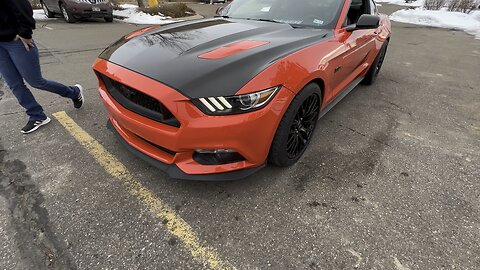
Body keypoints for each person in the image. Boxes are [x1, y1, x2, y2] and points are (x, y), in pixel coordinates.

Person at [0, 0, 84, 134]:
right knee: (14, 84)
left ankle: (74, 92)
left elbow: (22, 6)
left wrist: (25, 33)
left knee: (36, 81)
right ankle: (37, 115)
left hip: (16, 41)